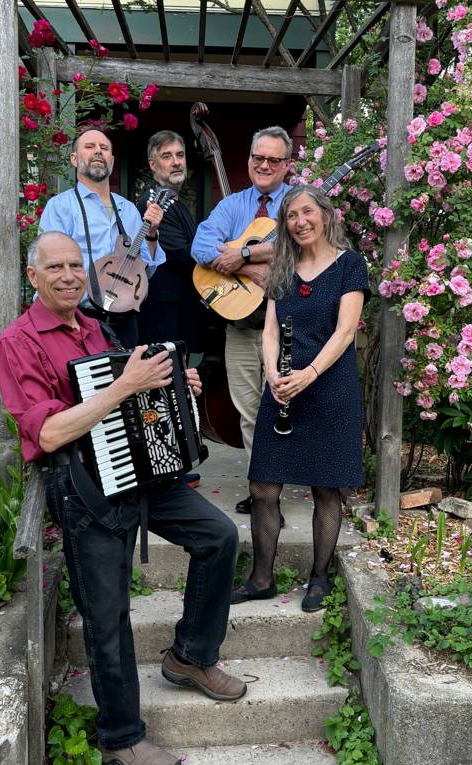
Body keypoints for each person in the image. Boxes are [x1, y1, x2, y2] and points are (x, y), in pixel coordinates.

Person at [0, 231, 244, 765]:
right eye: (53, 267)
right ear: (32, 277)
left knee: (219, 536)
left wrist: (176, 384)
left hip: (138, 472)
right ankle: (120, 738)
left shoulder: (93, 326)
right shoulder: (18, 342)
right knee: (108, 617)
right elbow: (52, 432)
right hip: (83, 489)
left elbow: (136, 397)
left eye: (74, 265)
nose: (67, 275)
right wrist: (125, 386)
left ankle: (190, 655)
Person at [230, 185, 370, 612]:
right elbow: (270, 330)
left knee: (327, 489)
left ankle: (320, 578)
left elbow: (345, 332)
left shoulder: (350, 265)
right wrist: (272, 373)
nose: (300, 221)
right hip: (284, 389)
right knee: (263, 486)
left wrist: (307, 374)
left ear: (326, 215)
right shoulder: (283, 269)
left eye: (307, 212)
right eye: (291, 216)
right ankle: (261, 579)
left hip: (329, 388)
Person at [191, 126, 292, 516]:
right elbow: (201, 245)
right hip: (241, 325)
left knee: (283, 411)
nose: (264, 165)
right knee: (249, 412)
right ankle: (262, 492)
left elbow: (301, 241)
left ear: (287, 164)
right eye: (257, 158)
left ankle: (275, 490)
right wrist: (249, 272)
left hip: (287, 327)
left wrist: (245, 255)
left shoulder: (297, 203)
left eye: (273, 159)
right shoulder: (233, 206)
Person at [39, 127, 166, 348]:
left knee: (127, 382)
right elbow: (49, 268)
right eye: (89, 147)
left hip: (125, 323)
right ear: (74, 159)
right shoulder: (60, 207)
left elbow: (146, 271)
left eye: (104, 148)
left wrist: (152, 233)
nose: (98, 151)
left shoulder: (128, 210)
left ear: (112, 160)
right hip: (77, 319)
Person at [137, 130, 200, 353]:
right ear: (153, 165)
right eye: (167, 156)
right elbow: (183, 255)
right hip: (162, 313)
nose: (176, 162)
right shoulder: (153, 203)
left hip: (178, 308)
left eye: (180, 155)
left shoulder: (175, 201)